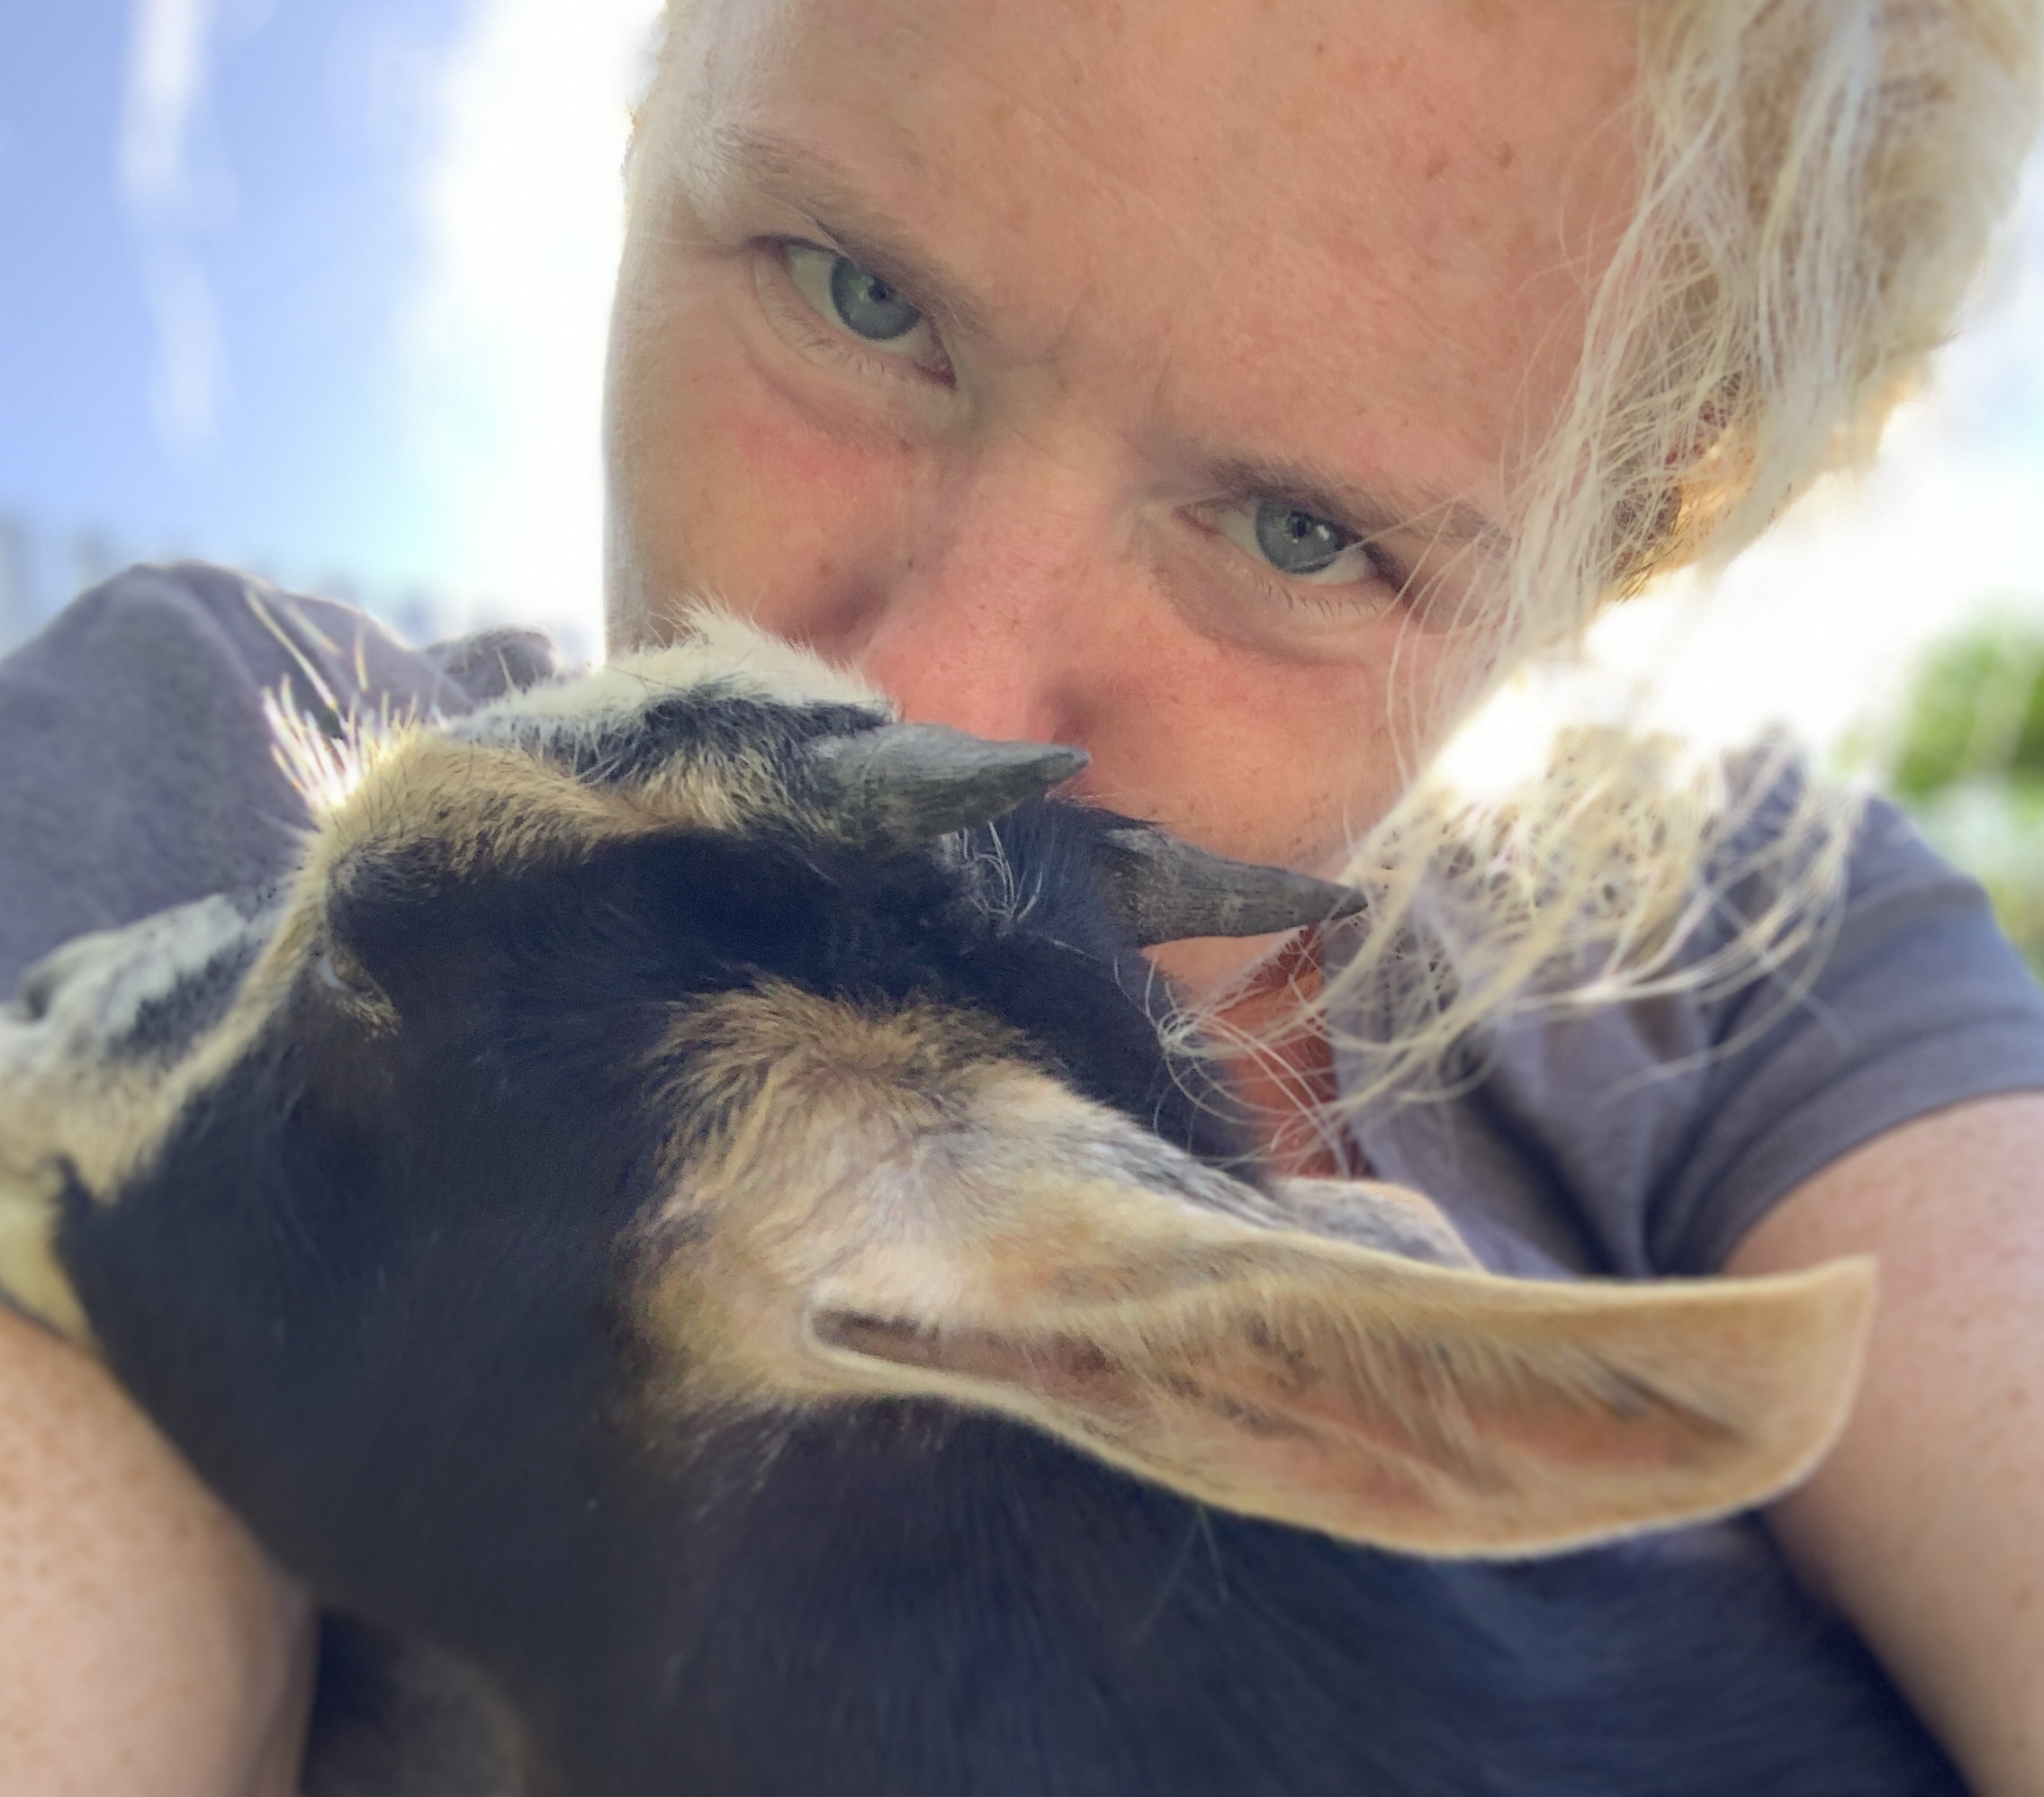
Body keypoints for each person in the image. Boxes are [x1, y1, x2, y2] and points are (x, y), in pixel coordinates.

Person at [2, 0, 2041, 1792]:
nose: (926, 692)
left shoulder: (1742, 957)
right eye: (853, 294)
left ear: (1602, 553)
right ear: (653, 101)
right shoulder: (255, 790)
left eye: (1298, 531)